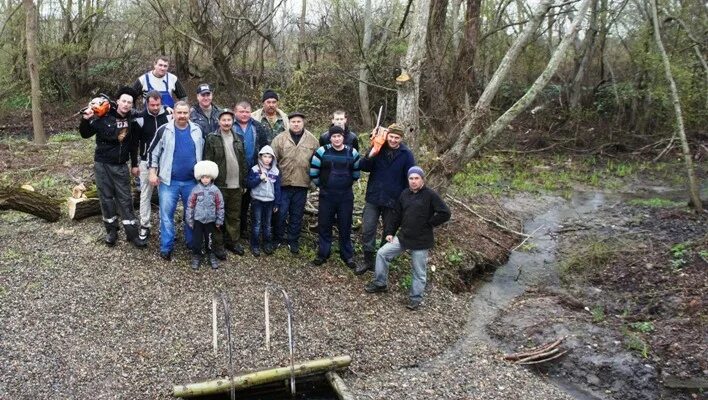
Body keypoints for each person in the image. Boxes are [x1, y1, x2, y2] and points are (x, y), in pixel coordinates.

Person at [364, 166, 451, 310]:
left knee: (419, 271)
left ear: (422, 179)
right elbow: (397, 215)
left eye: (417, 178)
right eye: (411, 178)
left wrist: (430, 223)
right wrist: (390, 232)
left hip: (421, 240)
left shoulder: (430, 195)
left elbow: (445, 213)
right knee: (382, 253)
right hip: (404, 237)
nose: (414, 181)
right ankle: (380, 283)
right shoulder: (404, 194)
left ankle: (415, 298)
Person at [79, 87, 146, 248]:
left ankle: (132, 234)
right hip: (102, 165)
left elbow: (133, 145)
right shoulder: (104, 115)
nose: (126, 104)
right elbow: (85, 133)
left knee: (125, 199)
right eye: (124, 101)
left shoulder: (132, 119)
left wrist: (135, 164)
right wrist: (86, 119)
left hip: (121, 166)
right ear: (118, 102)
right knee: (106, 198)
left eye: (129, 102)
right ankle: (111, 231)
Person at [147, 101, 204, 260]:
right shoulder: (164, 130)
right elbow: (153, 153)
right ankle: (166, 246)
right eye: (179, 113)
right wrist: (152, 173)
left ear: (189, 114)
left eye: (185, 113)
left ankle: (192, 242)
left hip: (192, 182)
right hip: (168, 181)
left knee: (191, 214)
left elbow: (203, 152)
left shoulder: (197, 131)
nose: (182, 116)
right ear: (174, 113)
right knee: (166, 215)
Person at [355, 123, 415, 274]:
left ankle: (380, 262)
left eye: (397, 138)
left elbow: (410, 178)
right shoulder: (378, 147)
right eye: (392, 137)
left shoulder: (406, 154)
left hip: (393, 201)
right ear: (387, 136)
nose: (394, 140)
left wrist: (406, 200)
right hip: (374, 197)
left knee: (388, 233)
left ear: (401, 138)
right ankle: (367, 260)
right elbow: (363, 166)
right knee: (368, 229)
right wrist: (372, 153)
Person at [309, 126, 361, 269]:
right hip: (327, 195)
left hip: (345, 196)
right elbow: (313, 172)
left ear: (343, 137)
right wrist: (323, 186)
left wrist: (346, 184)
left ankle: (347, 255)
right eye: (334, 137)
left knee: (345, 224)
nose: (336, 139)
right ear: (329, 138)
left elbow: (356, 173)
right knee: (324, 224)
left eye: (339, 136)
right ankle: (323, 253)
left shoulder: (352, 152)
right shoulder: (322, 151)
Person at [271, 112, 319, 254]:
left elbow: (317, 162)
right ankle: (277, 238)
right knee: (280, 213)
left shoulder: (312, 140)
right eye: (293, 122)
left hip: (302, 183)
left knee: (297, 214)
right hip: (283, 183)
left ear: (303, 123)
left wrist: (315, 181)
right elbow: (272, 159)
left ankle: (293, 240)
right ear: (289, 123)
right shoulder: (280, 139)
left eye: (299, 121)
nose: (296, 124)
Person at [203, 109, 248, 257]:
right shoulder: (211, 138)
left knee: (234, 215)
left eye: (229, 120)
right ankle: (218, 244)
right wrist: (208, 184)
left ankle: (232, 241)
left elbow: (243, 162)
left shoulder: (239, 138)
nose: (226, 123)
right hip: (219, 185)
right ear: (219, 121)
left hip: (236, 185)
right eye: (224, 120)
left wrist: (244, 182)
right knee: (218, 215)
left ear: (233, 121)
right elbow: (207, 162)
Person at [132, 90, 172, 241]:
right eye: (152, 104)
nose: (155, 107)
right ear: (147, 103)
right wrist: (134, 164)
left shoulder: (168, 115)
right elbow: (134, 143)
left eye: (158, 104)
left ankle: (165, 226)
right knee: (145, 195)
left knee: (166, 196)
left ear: (161, 102)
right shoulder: (140, 118)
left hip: (165, 161)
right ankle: (145, 225)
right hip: (145, 161)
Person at [233, 100, 269, 237]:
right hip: (234, 170)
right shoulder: (230, 125)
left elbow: (265, 147)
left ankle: (242, 229)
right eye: (241, 111)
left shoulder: (257, 127)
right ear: (235, 111)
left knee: (247, 201)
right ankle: (230, 231)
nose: (244, 114)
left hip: (252, 170)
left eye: (247, 111)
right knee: (233, 201)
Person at [186, 160, 225, 270]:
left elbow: (220, 206)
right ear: (199, 178)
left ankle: (211, 254)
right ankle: (196, 255)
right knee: (197, 240)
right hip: (198, 220)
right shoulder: (195, 190)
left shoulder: (216, 191)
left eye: (207, 177)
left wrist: (219, 220)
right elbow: (190, 205)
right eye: (203, 177)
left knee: (210, 239)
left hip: (211, 221)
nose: (205, 180)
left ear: (211, 177)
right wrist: (190, 219)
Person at [246, 145, 281, 257]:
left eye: (269, 157)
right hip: (257, 200)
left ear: (273, 158)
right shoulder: (255, 169)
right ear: (260, 157)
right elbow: (249, 184)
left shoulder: (275, 171)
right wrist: (259, 178)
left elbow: (277, 188)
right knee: (257, 224)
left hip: (270, 201)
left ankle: (267, 243)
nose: (267, 159)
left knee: (267, 224)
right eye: (265, 156)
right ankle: (254, 245)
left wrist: (277, 202)